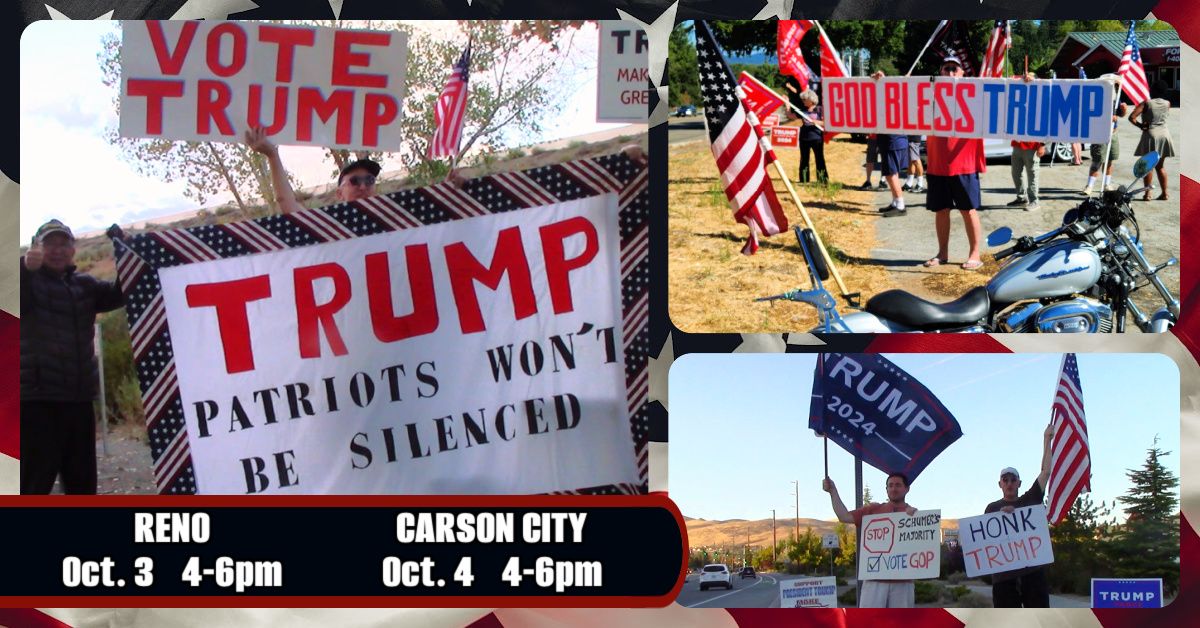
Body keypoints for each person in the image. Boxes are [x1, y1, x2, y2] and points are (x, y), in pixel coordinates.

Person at [20, 220, 124, 495]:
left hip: (78, 400)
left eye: (63, 244)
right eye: (49, 244)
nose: (57, 250)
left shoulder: (85, 285)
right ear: (36, 247)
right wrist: (23, 269)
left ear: (73, 249)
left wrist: (124, 250)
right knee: (33, 482)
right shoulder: (27, 283)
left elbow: (121, 293)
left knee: (82, 483)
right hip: (36, 403)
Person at [882, 56, 985, 270]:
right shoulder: (929, 94)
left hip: (964, 163)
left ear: (962, 73)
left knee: (968, 210)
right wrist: (882, 82)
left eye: (954, 69)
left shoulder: (976, 92)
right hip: (938, 163)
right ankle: (942, 253)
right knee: (941, 210)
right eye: (946, 69)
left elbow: (1004, 97)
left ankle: (975, 253)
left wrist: (1025, 81)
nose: (949, 73)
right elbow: (900, 98)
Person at [984, 423, 1055, 608]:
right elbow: (986, 542)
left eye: (1013, 480)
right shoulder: (992, 508)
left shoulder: (1030, 499)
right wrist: (1000, 519)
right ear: (999, 484)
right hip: (1003, 578)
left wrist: (1047, 439)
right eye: (1005, 480)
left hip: (1032, 574)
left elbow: (1046, 472)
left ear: (1019, 483)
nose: (1009, 483)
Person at [824, 473, 919, 608]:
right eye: (890, 485)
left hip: (903, 583)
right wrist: (833, 492)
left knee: (902, 622)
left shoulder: (914, 515)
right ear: (886, 489)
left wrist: (915, 517)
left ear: (907, 489)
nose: (893, 489)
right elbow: (843, 516)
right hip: (874, 580)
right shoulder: (873, 510)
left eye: (898, 485)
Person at [244, 127, 383, 214]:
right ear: (339, 194)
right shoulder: (329, 225)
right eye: (355, 181)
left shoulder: (394, 220)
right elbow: (288, 205)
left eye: (369, 180)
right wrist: (273, 156)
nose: (363, 186)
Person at [1083, 74, 1129, 195]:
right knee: (1097, 160)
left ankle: (1107, 184)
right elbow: (1091, 114)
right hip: (1100, 132)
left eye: (1116, 84)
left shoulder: (1116, 97)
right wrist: (1108, 117)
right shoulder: (1097, 97)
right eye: (1113, 84)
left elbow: (1120, 114)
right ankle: (1089, 186)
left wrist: (1123, 110)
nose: (1115, 86)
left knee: (1110, 160)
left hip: (1113, 132)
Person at [1130, 81, 1176, 202]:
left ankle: (1147, 194)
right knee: (1160, 166)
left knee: (1148, 167)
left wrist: (1141, 126)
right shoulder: (1168, 103)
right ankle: (1165, 193)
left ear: (1153, 90)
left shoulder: (1146, 103)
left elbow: (1132, 117)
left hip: (1151, 135)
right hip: (1165, 135)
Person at [1008, 73, 1044, 211]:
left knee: (1032, 174)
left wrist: (1042, 145)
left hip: (1032, 146)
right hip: (1017, 144)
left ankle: (1034, 200)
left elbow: (1044, 124)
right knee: (1016, 173)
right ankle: (1021, 197)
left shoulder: (1039, 101)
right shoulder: (1018, 98)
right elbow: (1012, 82)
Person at [797, 89, 828, 185]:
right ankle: (804, 180)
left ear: (811, 99)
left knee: (819, 159)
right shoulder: (803, 111)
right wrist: (787, 105)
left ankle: (822, 180)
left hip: (817, 138)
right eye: (802, 99)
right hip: (804, 138)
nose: (803, 101)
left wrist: (816, 122)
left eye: (804, 99)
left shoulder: (820, 109)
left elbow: (826, 123)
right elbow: (791, 116)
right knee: (804, 159)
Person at [876, 132, 910, 217]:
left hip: (892, 142)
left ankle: (900, 206)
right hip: (896, 141)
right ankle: (895, 203)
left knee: (891, 174)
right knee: (892, 173)